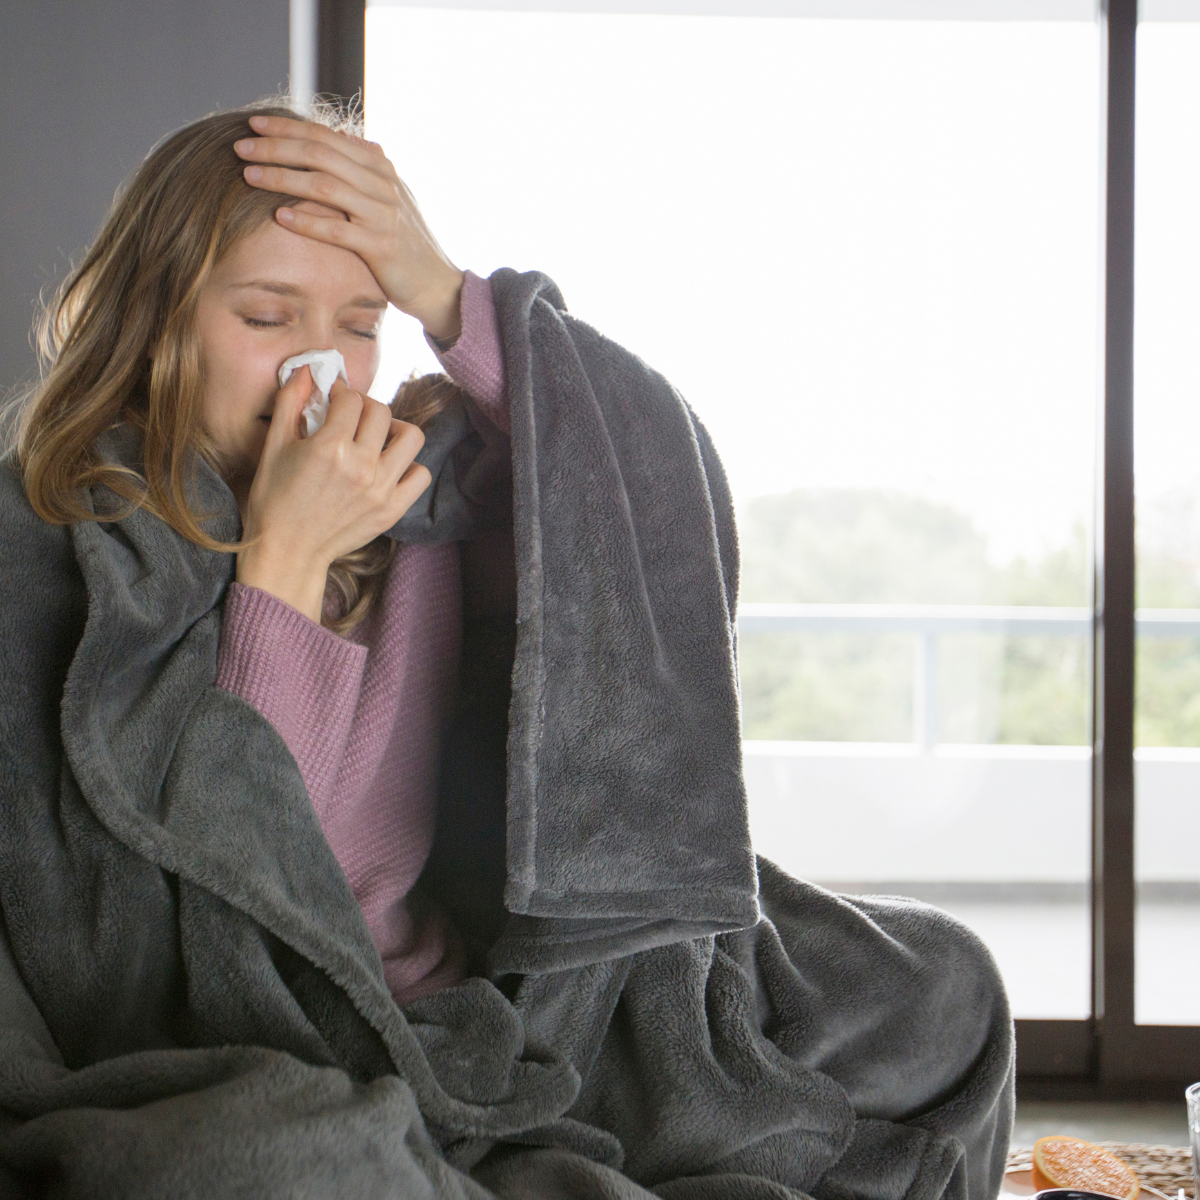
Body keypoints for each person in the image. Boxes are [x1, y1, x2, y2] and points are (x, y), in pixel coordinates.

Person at [0, 102, 1014, 1200]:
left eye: (358, 323)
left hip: (495, 1012)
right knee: (276, 1161)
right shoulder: (65, 544)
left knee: (937, 988)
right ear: (154, 325)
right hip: (282, 1052)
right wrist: (284, 571)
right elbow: (221, 928)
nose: (320, 367)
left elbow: (631, 473)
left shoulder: (421, 494)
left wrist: (444, 289)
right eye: (266, 315)